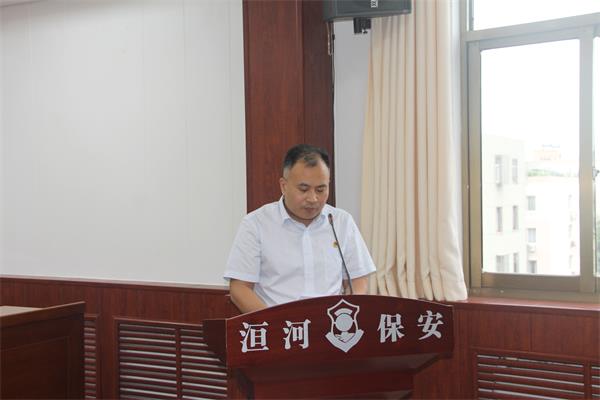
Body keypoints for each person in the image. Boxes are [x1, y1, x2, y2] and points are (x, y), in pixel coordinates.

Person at [224, 144, 376, 313]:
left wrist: (345, 314)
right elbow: (240, 289)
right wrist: (273, 322)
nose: (313, 198)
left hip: (330, 324)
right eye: (303, 189)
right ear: (284, 186)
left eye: (320, 189)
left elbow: (357, 279)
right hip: (279, 323)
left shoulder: (341, 222)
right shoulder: (256, 224)